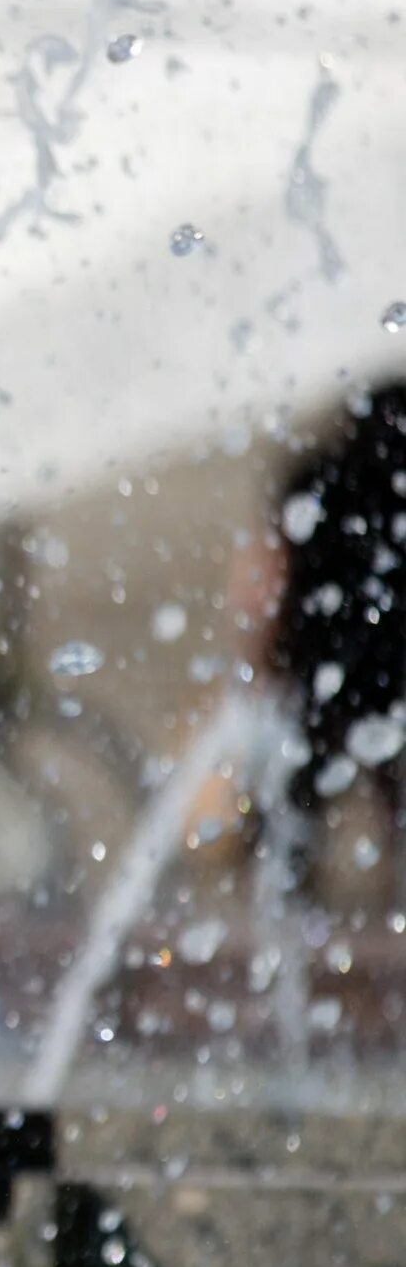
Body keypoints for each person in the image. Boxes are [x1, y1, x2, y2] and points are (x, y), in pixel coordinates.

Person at [230, 380, 406, 908]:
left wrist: (259, 659)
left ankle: (281, 912)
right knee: (394, 797)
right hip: (392, 672)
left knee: (293, 802)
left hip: (316, 666)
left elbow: (269, 581)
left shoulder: (312, 480)